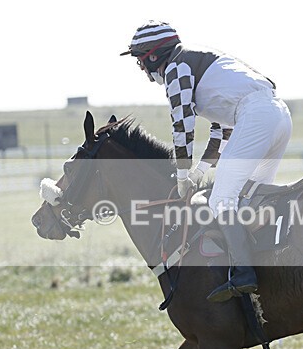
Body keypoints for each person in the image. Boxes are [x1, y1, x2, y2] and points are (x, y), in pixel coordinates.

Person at [121, 21, 293, 302]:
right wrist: (201, 170)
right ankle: (274, 271)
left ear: (153, 55)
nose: (141, 67)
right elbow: (220, 129)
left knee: (221, 200)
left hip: (257, 117)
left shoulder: (177, 67)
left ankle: (244, 274)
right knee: (252, 198)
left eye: (140, 59)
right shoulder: (196, 60)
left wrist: (182, 173)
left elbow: (182, 124)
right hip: (278, 116)